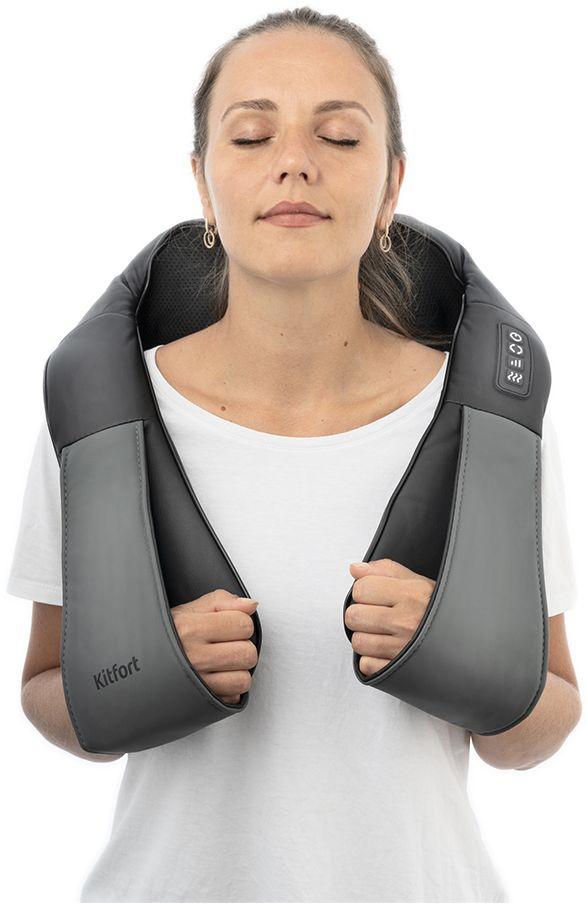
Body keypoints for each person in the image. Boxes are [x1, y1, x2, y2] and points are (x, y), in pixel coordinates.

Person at [6, 7, 582, 903]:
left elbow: (543, 724)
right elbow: (48, 690)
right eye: (251, 134)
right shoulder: (98, 418)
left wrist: (463, 652)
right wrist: (145, 667)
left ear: (390, 186)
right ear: (202, 183)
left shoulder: (492, 426)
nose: (294, 162)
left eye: (339, 136)